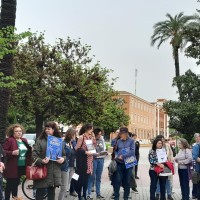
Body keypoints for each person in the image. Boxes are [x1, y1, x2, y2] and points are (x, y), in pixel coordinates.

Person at [32, 121, 66, 200]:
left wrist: (63, 159)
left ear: (54, 130)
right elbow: (34, 155)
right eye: (46, 128)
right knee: (40, 193)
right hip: (43, 170)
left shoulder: (58, 141)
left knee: (51, 193)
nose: (47, 130)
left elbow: (64, 154)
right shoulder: (40, 140)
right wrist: (41, 161)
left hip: (54, 172)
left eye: (49, 129)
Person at [3, 124, 32, 200]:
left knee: (16, 184)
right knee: (9, 185)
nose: (19, 133)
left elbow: (28, 152)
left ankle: (15, 198)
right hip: (12, 167)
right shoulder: (9, 140)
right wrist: (12, 152)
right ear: (12, 133)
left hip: (22, 166)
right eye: (16, 131)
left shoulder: (24, 140)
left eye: (20, 131)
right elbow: (3, 151)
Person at [112, 127, 135, 200]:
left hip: (128, 163)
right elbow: (116, 150)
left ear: (126, 133)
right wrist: (116, 155)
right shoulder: (118, 141)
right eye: (121, 134)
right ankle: (116, 197)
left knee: (127, 181)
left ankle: (126, 197)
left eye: (123, 134)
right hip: (119, 163)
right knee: (117, 180)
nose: (122, 135)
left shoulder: (131, 141)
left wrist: (124, 156)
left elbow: (132, 151)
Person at [75, 124, 96, 200]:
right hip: (82, 161)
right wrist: (85, 152)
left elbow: (93, 147)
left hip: (89, 160)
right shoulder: (82, 137)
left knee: (86, 180)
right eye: (91, 129)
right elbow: (77, 149)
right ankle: (79, 196)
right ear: (87, 129)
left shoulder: (91, 137)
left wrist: (93, 138)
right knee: (81, 179)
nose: (92, 130)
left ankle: (84, 195)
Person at [87, 128, 107, 199]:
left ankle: (98, 193)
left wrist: (105, 153)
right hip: (94, 160)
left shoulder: (102, 140)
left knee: (98, 177)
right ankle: (88, 194)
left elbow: (104, 149)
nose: (99, 135)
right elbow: (91, 151)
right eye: (98, 134)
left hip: (101, 160)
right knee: (91, 177)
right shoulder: (91, 141)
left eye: (100, 134)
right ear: (95, 134)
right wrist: (96, 154)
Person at [58, 128, 76, 200]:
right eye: (74, 134)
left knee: (67, 185)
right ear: (71, 135)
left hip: (72, 166)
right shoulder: (63, 143)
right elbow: (62, 154)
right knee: (64, 187)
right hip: (65, 167)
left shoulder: (71, 143)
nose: (75, 136)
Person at [155, 135, 174, 200]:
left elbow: (171, 153)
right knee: (158, 180)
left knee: (168, 180)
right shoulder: (156, 148)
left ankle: (169, 194)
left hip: (167, 165)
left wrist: (171, 161)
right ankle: (157, 193)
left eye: (163, 140)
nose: (162, 141)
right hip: (159, 166)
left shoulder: (167, 146)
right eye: (161, 140)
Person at [192, 133, 200, 200]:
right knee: (196, 181)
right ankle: (194, 194)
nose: (197, 138)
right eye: (196, 137)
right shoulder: (195, 145)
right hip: (196, 167)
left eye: (198, 137)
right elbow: (195, 157)